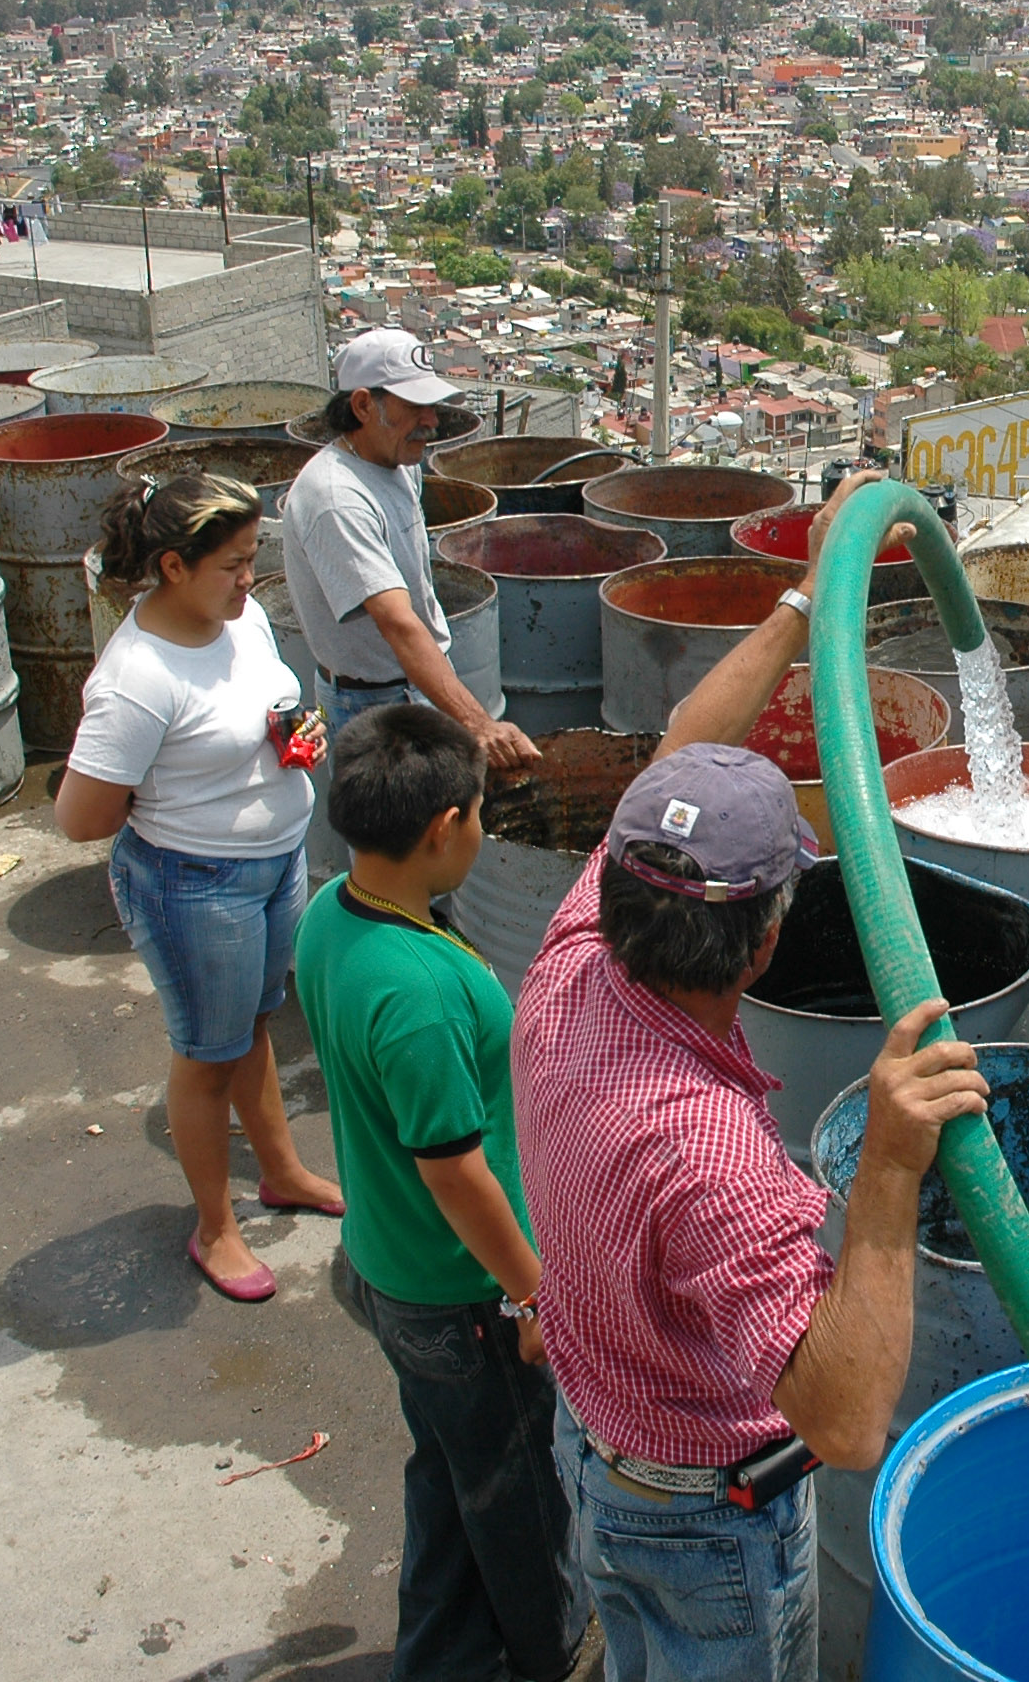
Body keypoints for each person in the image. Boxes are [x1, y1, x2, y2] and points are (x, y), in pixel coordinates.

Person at [511, 468, 984, 1682]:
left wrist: (801, 600)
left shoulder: (570, 959)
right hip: (701, 1519)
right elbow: (841, 1420)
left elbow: (679, 751)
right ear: (769, 938)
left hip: (597, 1441)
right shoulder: (710, 1155)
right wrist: (885, 1170)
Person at [296, 703, 585, 1681]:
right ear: (441, 830)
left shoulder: (331, 913)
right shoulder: (417, 992)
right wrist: (531, 1289)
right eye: (477, 813)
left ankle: (439, 1654)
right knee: (517, 1496)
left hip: (386, 1263)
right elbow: (454, 1169)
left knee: (449, 1468)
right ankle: (547, 1657)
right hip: (457, 1293)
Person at [56, 471, 344, 1305]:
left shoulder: (241, 619)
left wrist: (296, 732)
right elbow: (82, 817)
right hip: (193, 883)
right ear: (174, 567)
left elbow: (262, 704)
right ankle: (215, 1225)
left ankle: (283, 1170)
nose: (249, 579)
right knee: (205, 1056)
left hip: (272, 861)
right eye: (233, 563)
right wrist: (174, 793)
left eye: (254, 558)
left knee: (254, 1022)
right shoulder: (138, 679)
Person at [285, 327, 536, 770]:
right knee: (393, 837)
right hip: (369, 705)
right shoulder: (337, 498)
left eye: (432, 405)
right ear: (363, 405)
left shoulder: (397, 464)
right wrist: (478, 725)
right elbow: (399, 624)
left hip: (416, 684)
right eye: (415, 407)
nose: (432, 420)